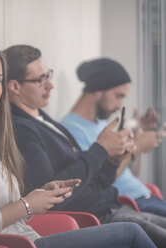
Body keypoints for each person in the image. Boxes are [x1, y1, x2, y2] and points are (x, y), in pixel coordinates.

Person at [0, 43, 156, 248]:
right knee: (131, 233)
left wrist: (42, 193)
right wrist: (27, 204)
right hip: (16, 245)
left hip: (29, 237)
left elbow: (4, 206)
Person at [4, 44, 166, 247]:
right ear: (14, 87)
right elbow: (48, 192)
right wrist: (101, 150)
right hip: (96, 217)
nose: (50, 85)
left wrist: (111, 161)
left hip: (113, 208)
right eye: (40, 80)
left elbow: (96, 181)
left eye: (48, 75)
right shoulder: (21, 129)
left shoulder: (43, 120)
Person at [61, 58, 166, 217]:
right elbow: (97, 183)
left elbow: (132, 173)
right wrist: (136, 147)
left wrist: (137, 136)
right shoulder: (71, 130)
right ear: (97, 90)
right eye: (118, 96)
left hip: (145, 196)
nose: (119, 105)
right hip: (130, 203)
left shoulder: (101, 125)